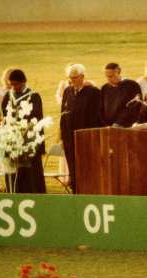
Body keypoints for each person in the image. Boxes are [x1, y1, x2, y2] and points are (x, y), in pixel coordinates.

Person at [1, 69, 46, 193]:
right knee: (13, 174)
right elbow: (4, 117)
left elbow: (37, 119)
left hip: (29, 142)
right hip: (12, 142)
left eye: (16, 84)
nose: (14, 87)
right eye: (11, 84)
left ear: (23, 82)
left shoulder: (33, 96)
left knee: (30, 176)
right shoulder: (8, 96)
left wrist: (37, 144)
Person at [60, 64, 101, 193]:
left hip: (86, 137)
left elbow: (97, 116)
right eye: (70, 77)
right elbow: (63, 113)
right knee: (73, 167)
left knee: (87, 168)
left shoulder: (93, 92)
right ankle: (75, 192)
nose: (71, 80)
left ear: (82, 77)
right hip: (69, 137)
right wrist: (61, 135)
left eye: (75, 77)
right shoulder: (67, 91)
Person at [100, 63, 142, 127]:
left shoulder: (131, 85)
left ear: (118, 72)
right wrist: (105, 124)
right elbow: (101, 109)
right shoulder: (104, 88)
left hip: (126, 126)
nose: (108, 79)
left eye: (111, 76)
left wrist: (119, 123)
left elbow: (134, 107)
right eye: (106, 76)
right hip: (108, 127)